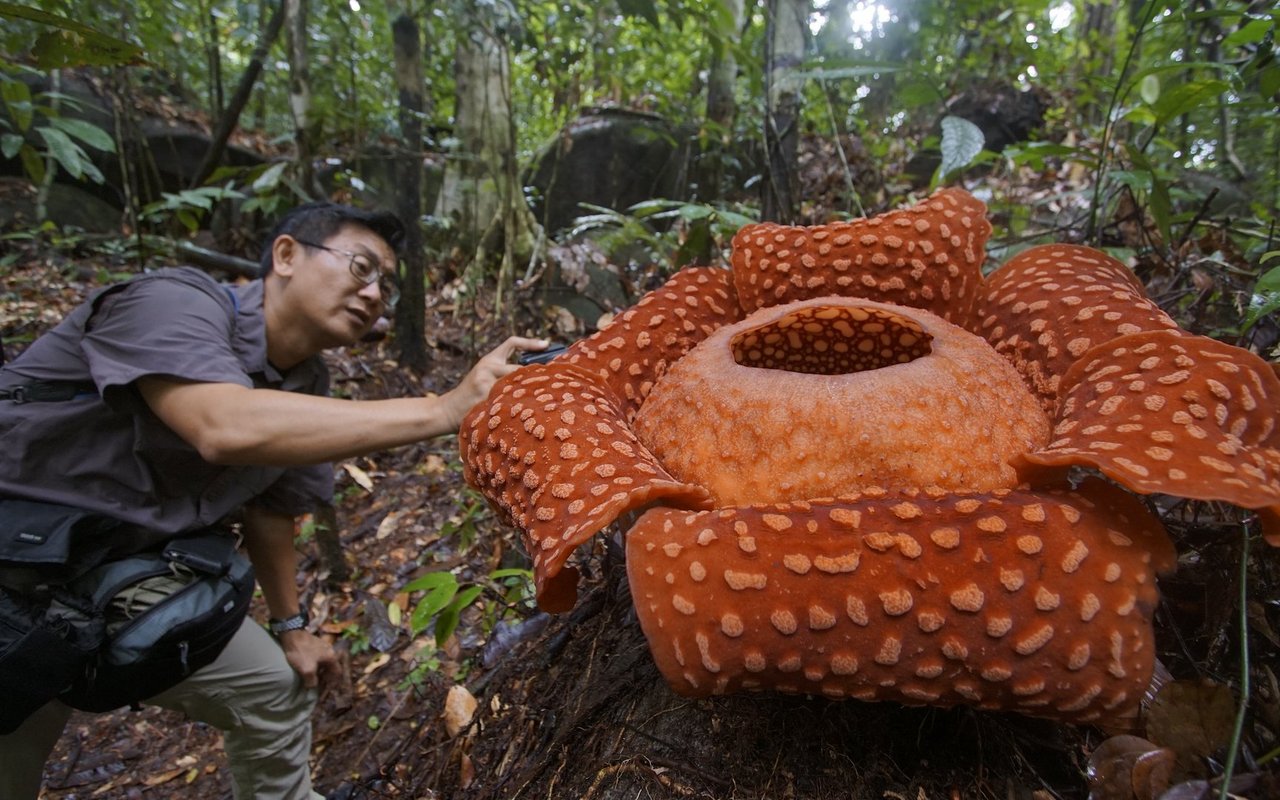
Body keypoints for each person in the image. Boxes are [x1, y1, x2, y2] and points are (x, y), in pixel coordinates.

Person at [0, 201, 545, 799]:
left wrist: (292, 628)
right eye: (361, 267)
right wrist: (442, 409)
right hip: (15, 577)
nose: (374, 294)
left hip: (113, 585)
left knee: (274, 687)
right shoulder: (172, 301)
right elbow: (223, 425)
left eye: (386, 285)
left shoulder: (309, 386)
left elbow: (270, 511)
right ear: (286, 255)